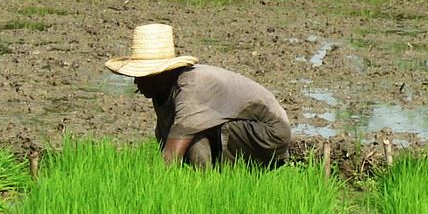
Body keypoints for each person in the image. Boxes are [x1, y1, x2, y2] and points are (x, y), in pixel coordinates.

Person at [106, 23, 291, 169]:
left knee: (193, 135)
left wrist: (155, 184)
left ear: (160, 75)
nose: (136, 83)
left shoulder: (189, 87)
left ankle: (203, 184)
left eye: (142, 76)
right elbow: (166, 137)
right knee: (190, 131)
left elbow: (172, 154)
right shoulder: (162, 90)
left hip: (267, 132)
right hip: (241, 127)